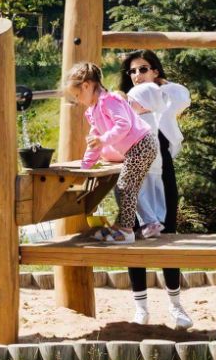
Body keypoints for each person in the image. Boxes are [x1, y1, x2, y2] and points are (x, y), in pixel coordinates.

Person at [120, 50, 193, 329]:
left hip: (164, 175)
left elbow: (183, 96)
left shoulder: (164, 102)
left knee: (168, 236)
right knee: (133, 238)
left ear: (155, 71)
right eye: (132, 71)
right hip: (134, 176)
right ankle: (141, 308)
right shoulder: (125, 106)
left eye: (143, 69)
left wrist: (161, 84)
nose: (137, 75)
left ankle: (176, 306)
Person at [63, 62, 157, 244]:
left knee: (125, 187)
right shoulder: (93, 110)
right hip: (135, 148)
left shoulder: (110, 100)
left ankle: (126, 231)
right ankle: (121, 227)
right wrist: (85, 167)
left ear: (86, 86)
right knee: (124, 187)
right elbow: (94, 142)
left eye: (77, 95)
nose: (78, 100)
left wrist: (103, 139)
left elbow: (124, 125)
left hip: (142, 144)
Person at [127, 82, 167, 238]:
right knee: (152, 194)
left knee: (134, 191)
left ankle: (151, 222)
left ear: (143, 104)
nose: (128, 104)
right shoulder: (151, 118)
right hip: (154, 163)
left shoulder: (139, 120)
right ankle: (155, 222)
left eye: (131, 101)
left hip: (143, 163)